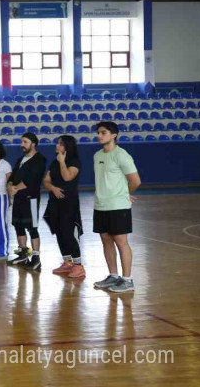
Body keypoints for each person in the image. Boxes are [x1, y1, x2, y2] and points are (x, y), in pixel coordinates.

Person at [91, 122, 141, 293]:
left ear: (114, 135)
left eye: (103, 132)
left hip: (118, 207)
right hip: (100, 205)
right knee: (105, 239)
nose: (99, 135)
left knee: (121, 242)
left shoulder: (122, 155)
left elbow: (135, 181)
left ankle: (127, 280)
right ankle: (113, 275)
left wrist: (124, 194)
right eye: (98, 132)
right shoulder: (97, 155)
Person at [43, 135, 85, 278]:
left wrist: (62, 162)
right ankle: (67, 263)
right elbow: (46, 180)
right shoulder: (54, 162)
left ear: (67, 146)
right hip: (55, 203)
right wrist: (53, 188)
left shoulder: (74, 161)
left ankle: (78, 266)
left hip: (69, 204)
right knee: (59, 232)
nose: (57, 146)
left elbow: (67, 177)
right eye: (57, 143)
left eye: (60, 144)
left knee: (68, 234)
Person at [7, 132, 47, 270]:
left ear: (33, 144)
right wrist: (10, 185)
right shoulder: (20, 159)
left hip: (31, 199)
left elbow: (31, 180)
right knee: (18, 225)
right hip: (19, 199)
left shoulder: (39, 159)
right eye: (21, 142)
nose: (22, 145)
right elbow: (12, 176)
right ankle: (23, 254)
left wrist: (15, 188)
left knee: (32, 228)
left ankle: (36, 258)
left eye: (25, 142)